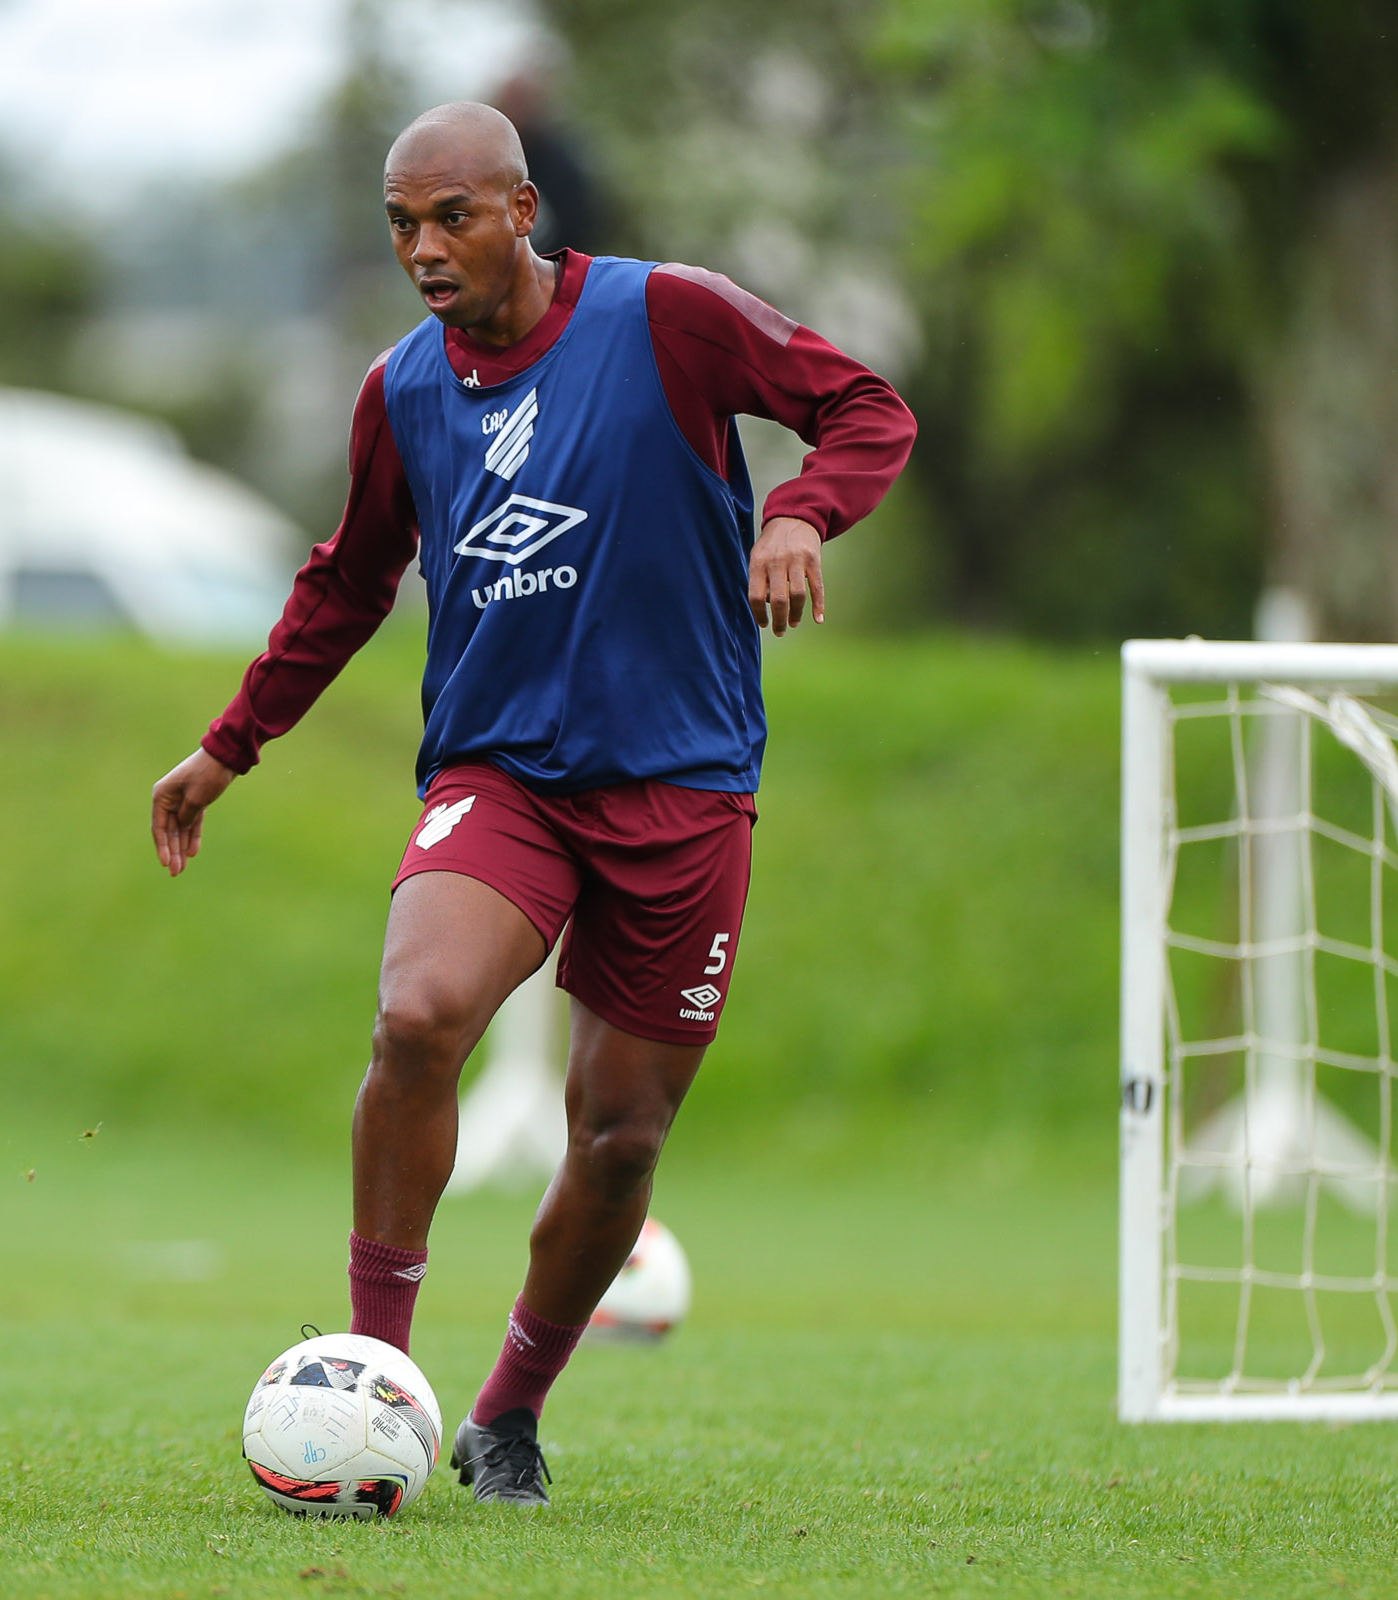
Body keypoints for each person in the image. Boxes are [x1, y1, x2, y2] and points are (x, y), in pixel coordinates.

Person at [147, 103, 914, 1509]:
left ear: (522, 207)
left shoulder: (666, 319)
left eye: (449, 216)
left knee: (619, 1132)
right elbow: (345, 581)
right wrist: (228, 746)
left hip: (685, 785)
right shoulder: (404, 392)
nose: (422, 248)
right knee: (419, 1014)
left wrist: (802, 509)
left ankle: (510, 1410)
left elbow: (869, 406)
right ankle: (376, 1382)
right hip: (501, 775)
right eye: (399, 223)